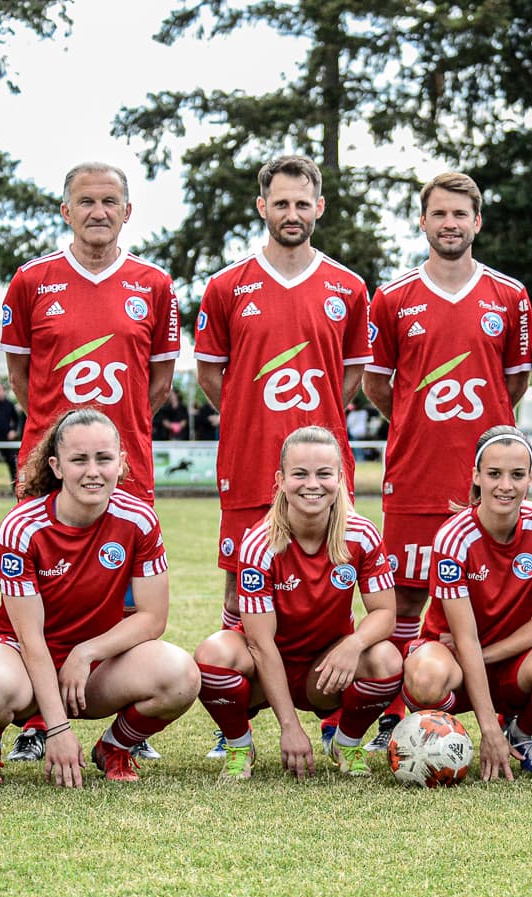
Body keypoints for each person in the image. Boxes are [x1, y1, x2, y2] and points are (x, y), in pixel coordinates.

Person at [0, 161, 181, 762]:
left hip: (124, 471)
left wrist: (109, 447)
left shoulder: (154, 285)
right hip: (51, 473)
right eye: (85, 201)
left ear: (127, 211)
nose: (98, 211)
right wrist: (65, 448)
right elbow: (25, 382)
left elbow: (157, 385)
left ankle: (122, 727)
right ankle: (35, 724)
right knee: (44, 599)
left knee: (124, 598)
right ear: (66, 211)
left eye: (110, 201)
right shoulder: (31, 281)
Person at [363, 172, 532, 751]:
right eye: (439, 214)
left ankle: (511, 706)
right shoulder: (393, 297)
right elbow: (379, 386)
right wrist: (416, 424)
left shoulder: (509, 296)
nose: (450, 224)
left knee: (494, 593)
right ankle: (399, 707)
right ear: (423, 221)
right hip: (416, 474)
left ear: (477, 221)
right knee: (407, 593)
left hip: (488, 482)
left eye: (461, 214)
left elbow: (515, 381)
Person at [0, 408, 199, 786]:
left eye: (103, 459)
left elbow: (152, 618)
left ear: (120, 463)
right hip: (20, 653)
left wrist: (87, 652)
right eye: (79, 460)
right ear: (56, 466)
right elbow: (31, 638)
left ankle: (114, 748)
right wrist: (56, 729)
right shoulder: (21, 526)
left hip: (91, 663)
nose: (93, 471)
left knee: (180, 675)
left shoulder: (140, 519)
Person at [194, 155, 371, 645]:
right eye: (280, 204)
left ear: (319, 207)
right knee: (238, 586)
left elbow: (352, 372)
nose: (291, 214)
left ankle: (334, 716)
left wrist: (316, 422)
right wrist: (249, 416)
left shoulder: (349, 287)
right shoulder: (226, 286)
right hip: (250, 459)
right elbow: (211, 374)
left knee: (338, 579)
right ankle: (239, 713)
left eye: (301, 204)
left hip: (324, 465)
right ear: (262, 207)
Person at [194, 426, 402, 780]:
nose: (312, 484)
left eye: (323, 474)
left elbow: (385, 613)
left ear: (340, 477)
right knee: (212, 654)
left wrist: (354, 644)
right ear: (281, 480)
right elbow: (259, 644)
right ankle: (239, 744)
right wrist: (289, 726)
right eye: (300, 474)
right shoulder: (260, 543)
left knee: (385, 658)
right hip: (265, 668)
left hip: (324, 671)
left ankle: (346, 743)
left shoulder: (362, 534)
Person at [401, 426, 532, 779]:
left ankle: (523, 734)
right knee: (426, 678)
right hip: (451, 657)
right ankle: (449, 741)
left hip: (505, 656)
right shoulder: (453, 537)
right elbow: (465, 636)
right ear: (476, 476)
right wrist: (487, 728)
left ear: (531, 477)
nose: (506, 486)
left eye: (517, 475)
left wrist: (487, 656)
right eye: (494, 474)